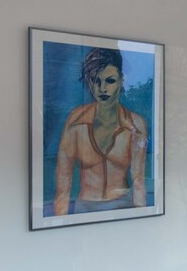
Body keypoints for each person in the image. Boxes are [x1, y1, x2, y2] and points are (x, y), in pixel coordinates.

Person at [52, 47, 148, 215]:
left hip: (123, 206)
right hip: (85, 207)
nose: (102, 88)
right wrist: (59, 221)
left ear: (121, 81)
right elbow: (63, 182)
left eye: (110, 81)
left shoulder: (135, 126)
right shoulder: (76, 123)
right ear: (89, 82)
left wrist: (144, 220)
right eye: (96, 81)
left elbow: (139, 181)